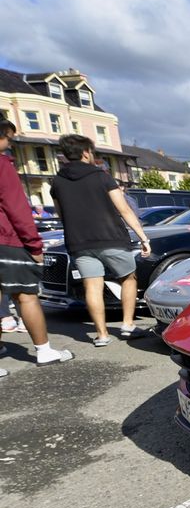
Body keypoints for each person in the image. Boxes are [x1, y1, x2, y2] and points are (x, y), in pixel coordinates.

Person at [51, 134, 152, 346]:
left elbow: (60, 215)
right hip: (111, 238)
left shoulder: (57, 182)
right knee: (128, 278)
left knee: (92, 286)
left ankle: (102, 334)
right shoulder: (102, 176)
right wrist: (143, 237)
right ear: (86, 152)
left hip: (79, 242)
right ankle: (127, 324)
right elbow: (123, 208)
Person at [0, 119, 73, 375]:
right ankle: (44, 350)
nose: (9, 145)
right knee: (26, 295)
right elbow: (16, 208)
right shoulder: (2, 165)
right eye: (9, 139)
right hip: (6, 241)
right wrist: (34, 245)